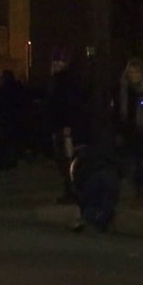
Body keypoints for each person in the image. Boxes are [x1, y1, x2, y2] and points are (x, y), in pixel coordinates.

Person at [115, 57, 143, 203]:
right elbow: (119, 112)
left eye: (137, 72)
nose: (134, 75)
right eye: (131, 72)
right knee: (132, 165)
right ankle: (138, 192)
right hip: (129, 134)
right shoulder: (123, 91)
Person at [48, 46, 86, 203]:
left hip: (65, 127)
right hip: (60, 126)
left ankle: (73, 191)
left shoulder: (66, 81)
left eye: (60, 62)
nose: (56, 65)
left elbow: (68, 104)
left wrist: (67, 125)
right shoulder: (58, 80)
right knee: (64, 160)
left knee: (67, 160)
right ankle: (70, 190)